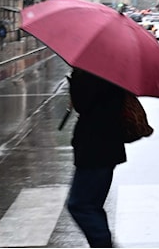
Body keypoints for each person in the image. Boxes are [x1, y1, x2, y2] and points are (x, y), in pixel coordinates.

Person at [66, 68, 127, 247]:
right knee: (92, 205)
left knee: (80, 205)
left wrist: (75, 80)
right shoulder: (113, 71)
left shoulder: (93, 73)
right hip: (106, 147)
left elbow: (83, 103)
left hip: (95, 149)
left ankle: (103, 244)